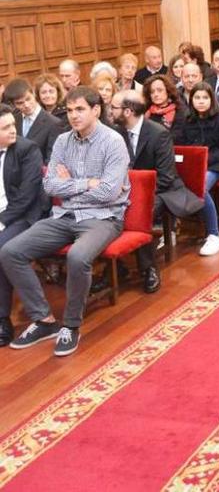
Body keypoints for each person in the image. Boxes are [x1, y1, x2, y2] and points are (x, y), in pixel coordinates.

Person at [1, 86, 130, 357]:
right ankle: (44, 320)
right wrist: (87, 183)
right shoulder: (62, 141)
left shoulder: (113, 141)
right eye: (70, 110)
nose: (73, 115)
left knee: (78, 257)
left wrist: (69, 183)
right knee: (10, 252)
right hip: (65, 216)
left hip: (103, 218)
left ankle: (71, 325)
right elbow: (49, 186)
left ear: (96, 110)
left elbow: (109, 192)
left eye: (80, 109)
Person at [106, 90, 200, 293]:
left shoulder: (158, 133)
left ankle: (148, 268)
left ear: (128, 111)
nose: (109, 111)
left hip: (159, 190)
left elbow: (166, 176)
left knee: (141, 213)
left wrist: (136, 195)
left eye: (113, 107)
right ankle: (114, 267)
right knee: (101, 210)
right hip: (124, 191)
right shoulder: (116, 133)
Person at [0, 104, 47, 347]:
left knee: (1, 248)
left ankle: (2, 319)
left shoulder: (27, 149)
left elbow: (26, 197)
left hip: (21, 217)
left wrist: (1, 222)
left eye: (13, 125)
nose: (13, 130)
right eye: (6, 127)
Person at [177, 82, 219, 256]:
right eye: (197, 98)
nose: (201, 101)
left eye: (205, 98)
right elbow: (184, 145)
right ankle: (172, 230)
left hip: (218, 164)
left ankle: (214, 234)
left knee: (199, 187)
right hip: (194, 164)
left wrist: (203, 161)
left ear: (212, 99)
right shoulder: (187, 120)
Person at [4, 79, 63, 160]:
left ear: (33, 93)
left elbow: (52, 159)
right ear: (13, 105)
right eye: (20, 103)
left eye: (28, 99)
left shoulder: (53, 123)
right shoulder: (13, 120)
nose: (26, 105)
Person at [144, 74, 187, 142]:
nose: (156, 94)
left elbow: (177, 136)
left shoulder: (179, 111)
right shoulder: (146, 112)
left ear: (168, 91)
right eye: (152, 92)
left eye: (160, 90)